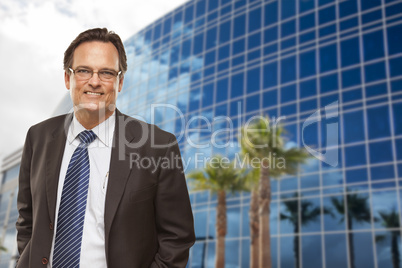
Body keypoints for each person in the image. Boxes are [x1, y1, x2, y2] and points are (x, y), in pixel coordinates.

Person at [16, 28, 195, 268]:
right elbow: (27, 221)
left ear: (120, 82)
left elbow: (177, 239)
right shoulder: (37, 137)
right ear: (68, 78)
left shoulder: (157, 145)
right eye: (83, 71)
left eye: (107, 73)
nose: (94, 81)